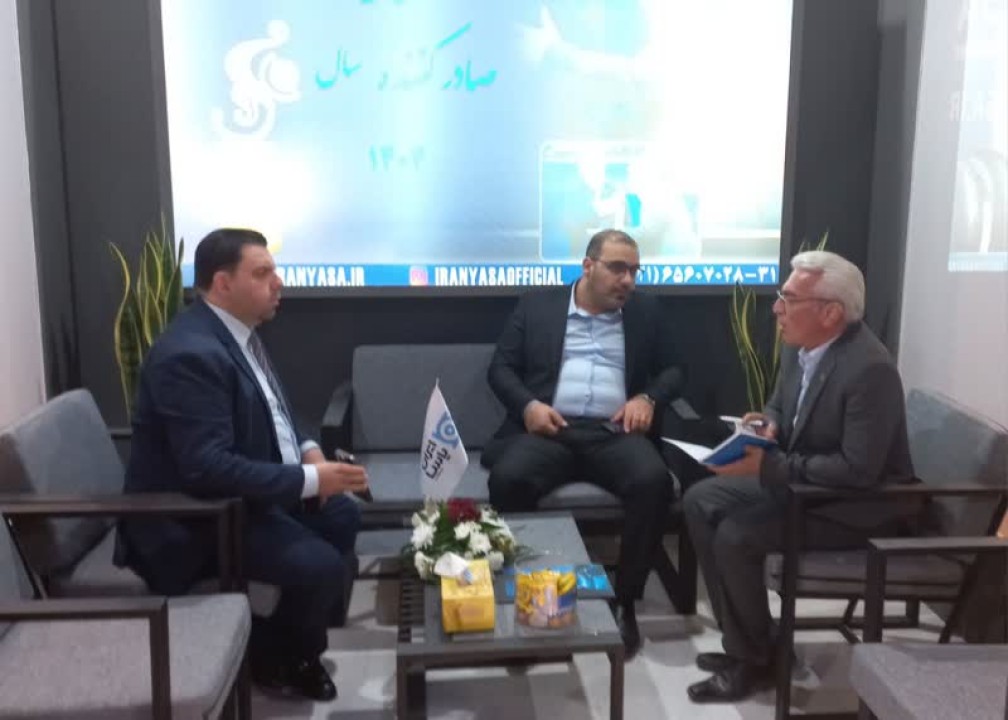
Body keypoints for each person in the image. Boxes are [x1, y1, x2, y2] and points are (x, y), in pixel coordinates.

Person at [116, 228, 369, 701]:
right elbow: (207, 468)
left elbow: (276, 411)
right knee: (321, 566)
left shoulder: (238, 333)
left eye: (275, 270)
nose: (278, 282)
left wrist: (309, 450)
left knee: (343, 515)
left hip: (247, 495)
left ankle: (293, 637)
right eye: (262, 272)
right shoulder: (190, 355)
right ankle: (273, 657)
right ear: (222, 283)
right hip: (196, 518)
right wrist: (310, 480)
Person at [682, 250, 916, 703]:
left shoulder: (871, 369)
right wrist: (767, 423)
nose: (777, 309)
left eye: (789, 299)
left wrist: (767, 466)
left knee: (737, 535)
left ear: (831, 313)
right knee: (700, 500)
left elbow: (858, 470)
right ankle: (756, 643)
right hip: (806, 487)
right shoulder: (802, 346)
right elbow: (779, 404)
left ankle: (753, 661)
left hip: (855, 508)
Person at [483, 228, 684, 657]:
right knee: (508, 479)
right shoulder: (537, 305)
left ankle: (625, 600)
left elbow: (675, 369)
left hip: (614, 434)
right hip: (551, 430)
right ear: (588, 266)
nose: (628, 280)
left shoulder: (646, 311)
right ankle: (525, 594)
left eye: (634, 271)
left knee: (653, 482)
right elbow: (500, 369)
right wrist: (528, 407)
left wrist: (648, 398)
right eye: (618, 268)